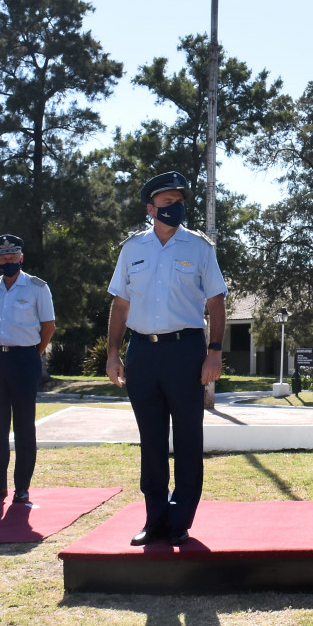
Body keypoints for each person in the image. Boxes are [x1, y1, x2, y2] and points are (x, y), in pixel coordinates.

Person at [106, 172, 227, 547]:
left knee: (188, 436)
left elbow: (216, 302)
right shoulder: (132, 249)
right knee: (152, 438)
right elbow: (121, 302)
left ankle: (181, 518)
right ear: (150, 208)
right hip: (142, 351)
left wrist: (214, 353)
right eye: (167, 202)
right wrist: (112, 351)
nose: (175, 207)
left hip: (185, 350)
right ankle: (155, 517)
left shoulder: (199, 248)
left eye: (179, 201)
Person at [0, 234, 55, 506]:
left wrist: (32, 354)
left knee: (24, 426)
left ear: (21, 257)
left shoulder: (37, 287)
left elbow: (49, 327)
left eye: (13, 256)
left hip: (25, 359)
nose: (8, 260)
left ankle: (22, 488)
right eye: (2, 256)